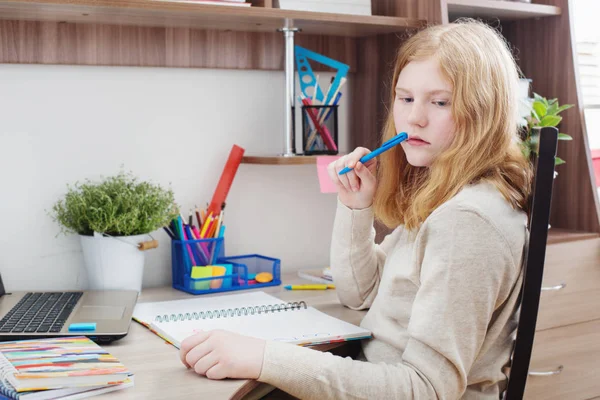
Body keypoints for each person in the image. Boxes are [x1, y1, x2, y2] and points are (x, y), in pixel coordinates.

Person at [179, 19, 532, 399]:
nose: (415, 117)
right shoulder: (446, 193)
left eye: (440, 102)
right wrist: (355, 207)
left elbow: (426, 389)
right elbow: (361, 295)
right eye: (406, 98)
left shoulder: (466, 221)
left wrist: (266, 358)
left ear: (484, 111)